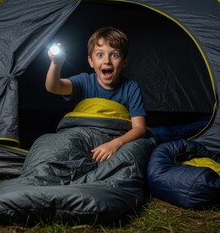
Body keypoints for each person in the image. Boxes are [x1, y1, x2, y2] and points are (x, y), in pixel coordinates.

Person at [45, 26, 147, 162]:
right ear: (91, 61)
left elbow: (140, 128)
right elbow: (53, 87)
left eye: (114, 55)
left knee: (133, 155)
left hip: (115, 138)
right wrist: (56, 64)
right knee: (53, 148)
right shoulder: (84, 81)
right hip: (83, 136)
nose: (107, 61)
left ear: (124, 61)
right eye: (100, 55)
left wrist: (115, 144)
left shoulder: (131, 88)